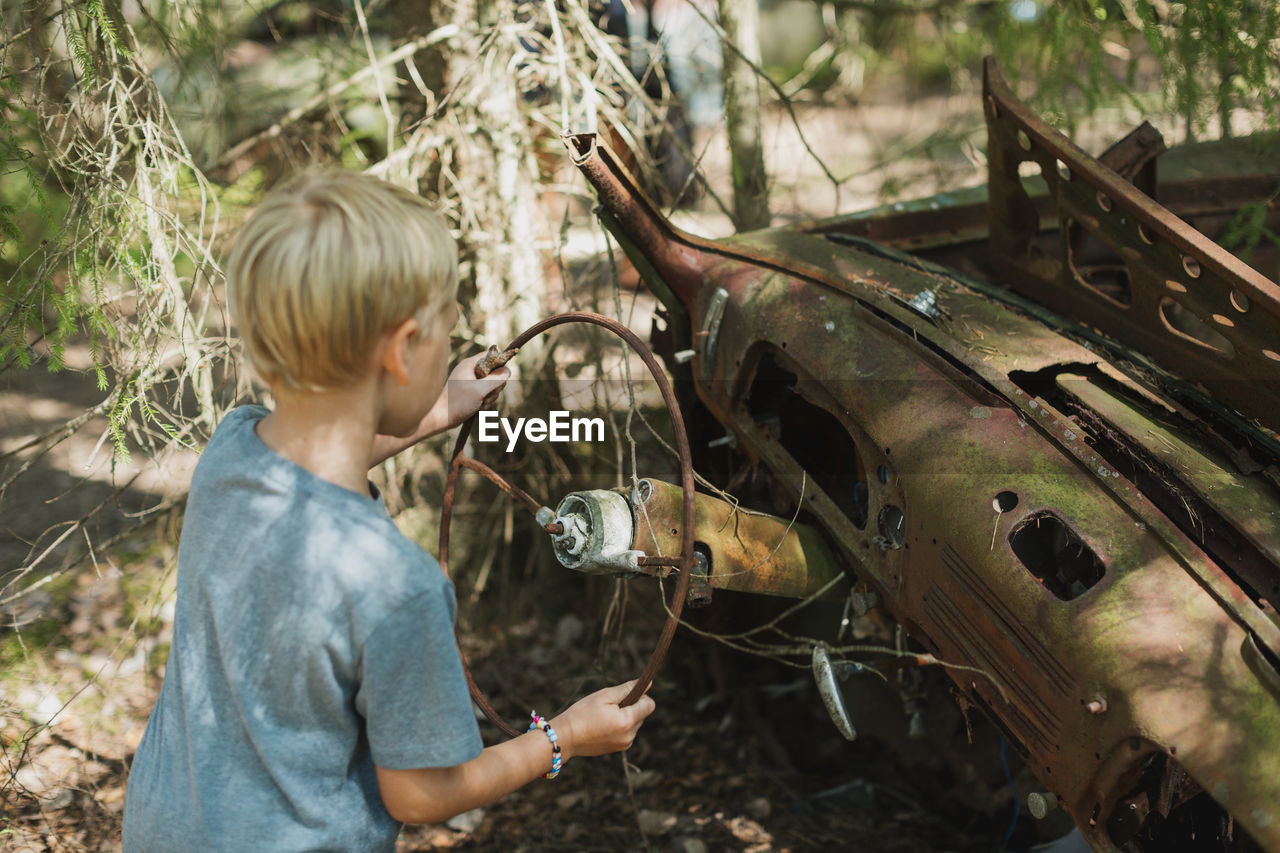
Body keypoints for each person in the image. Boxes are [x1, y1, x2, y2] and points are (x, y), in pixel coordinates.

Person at [122, 171, 656, 851]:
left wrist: (438, 407)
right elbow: (423, 790)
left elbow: (316, 461)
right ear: (401, 350)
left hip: (165, 829)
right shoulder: (396, 585)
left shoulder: (230, 453)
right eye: (445, 321)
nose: (457, 327)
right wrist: (565, 736)